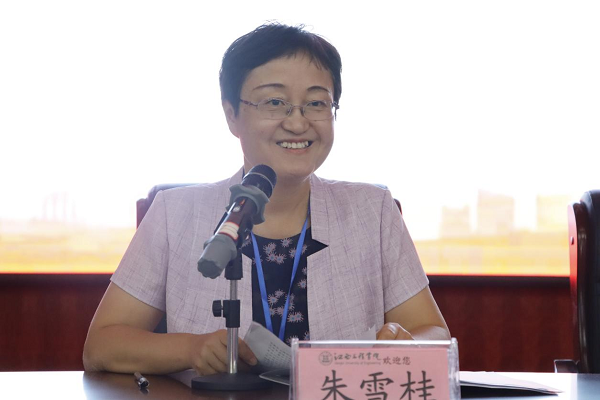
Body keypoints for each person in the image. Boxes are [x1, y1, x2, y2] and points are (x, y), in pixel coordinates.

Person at [83, 22, 450, 377]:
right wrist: (190, 349)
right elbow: (102, 345)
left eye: (316, 103)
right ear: (232, 115)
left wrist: (404, 344)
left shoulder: (373, 211)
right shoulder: (174, 214)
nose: (297, 123)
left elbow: (433, 332)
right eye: (275, 102)